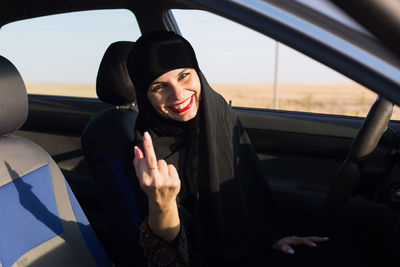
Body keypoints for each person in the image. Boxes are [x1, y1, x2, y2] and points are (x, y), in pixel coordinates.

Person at [125, 30, 335, 266]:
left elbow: (249, 191)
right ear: (145, 96)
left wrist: (270, 237)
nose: (178, 93)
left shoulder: (218, 114)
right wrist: (160, 201)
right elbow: (167, 251)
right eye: (159, 86)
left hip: (251, 247)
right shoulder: (146, 154)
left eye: (184, 75)